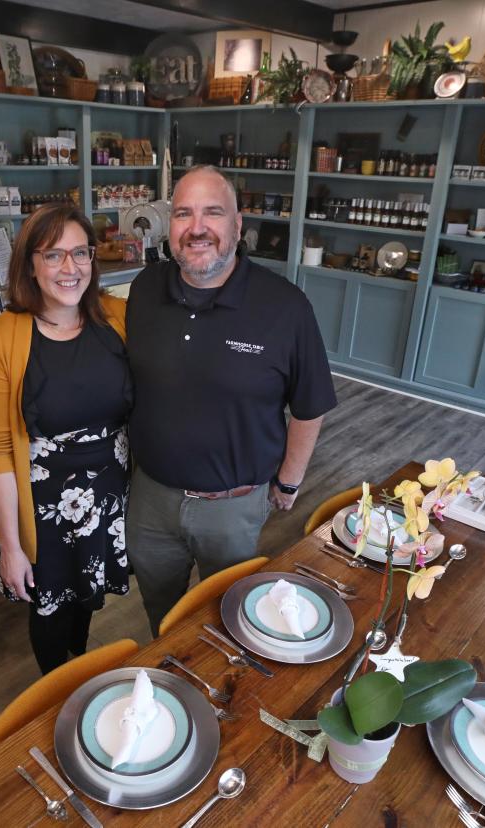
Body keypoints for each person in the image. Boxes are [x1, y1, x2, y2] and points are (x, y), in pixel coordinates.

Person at [125, 165, 338, 636]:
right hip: (150, 499)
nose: (197, 228)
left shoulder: (283, 306)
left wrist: (288, 481)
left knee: (231, 620)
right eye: (183, 213)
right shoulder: (144, 291)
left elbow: (310, 402)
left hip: (232, 506)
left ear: (237, 226)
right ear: (169, 225)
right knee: (162, 617)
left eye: (212, 213)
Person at [0, 204, 132, 673]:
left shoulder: (117, 319)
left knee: (86, 600)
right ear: (30, 265)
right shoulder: (0, 338)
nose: (70, 268)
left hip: (107, 497)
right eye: (54, 255)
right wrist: (11, 545)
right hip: (39, 507)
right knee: (49, 608)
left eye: (80, 253)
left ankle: (76, 673)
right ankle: (56, 689)